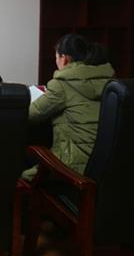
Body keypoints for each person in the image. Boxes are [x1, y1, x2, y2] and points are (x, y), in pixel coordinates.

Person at [23, 33, 115, 180]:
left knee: (19, 169)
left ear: (64, 58)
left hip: (73, 166)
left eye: (56, 57)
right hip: (108, 164)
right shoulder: (109, 81)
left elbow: (29, 115)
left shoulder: (62, 84)